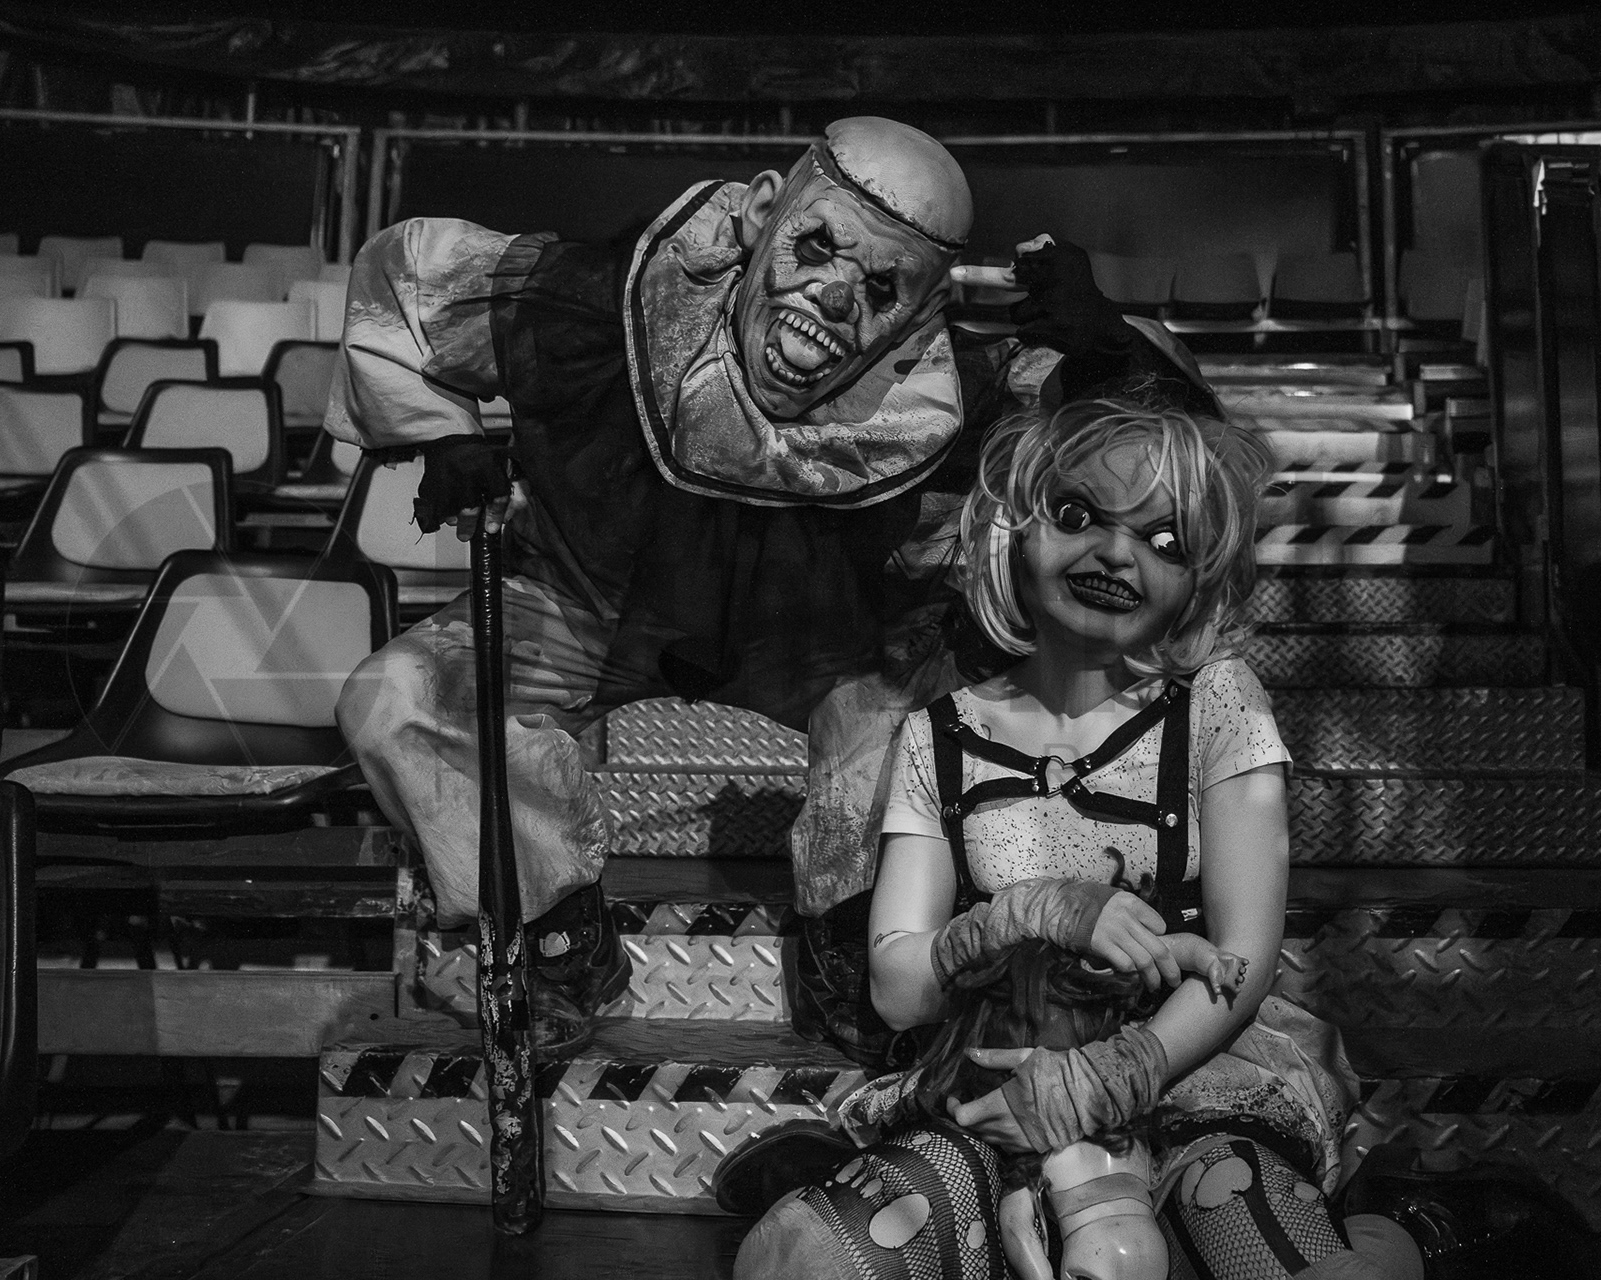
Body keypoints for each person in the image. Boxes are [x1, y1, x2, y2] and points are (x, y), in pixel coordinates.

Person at [326, 115, 1211, 1057]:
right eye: (817, 247)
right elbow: (403, 280)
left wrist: (1111, 351)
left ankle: (858, 944)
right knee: (400, 696)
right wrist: (439, 428)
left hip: (831, 647)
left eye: (882, 287)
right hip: (586, 605)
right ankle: (553, 938)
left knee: (924, 725)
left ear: (922, 309)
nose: (833, 298)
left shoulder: (951, 393)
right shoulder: (602, 303)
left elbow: (1183, 461)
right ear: (759, 213)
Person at [733, 399, 1425, 1279]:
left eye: (1164, 539)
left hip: (1188, 1079)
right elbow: (899, 992)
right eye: (1077, 514)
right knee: (808, 1258)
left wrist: (1112, 1078)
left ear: (1199, 578)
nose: (1116, 554)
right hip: (996, 1079)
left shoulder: (1218, 703)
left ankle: (1399, 1228)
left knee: (1256, 1232)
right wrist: (1027, 914)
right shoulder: (938, 735)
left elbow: (1241, 963)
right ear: (1014, 528)